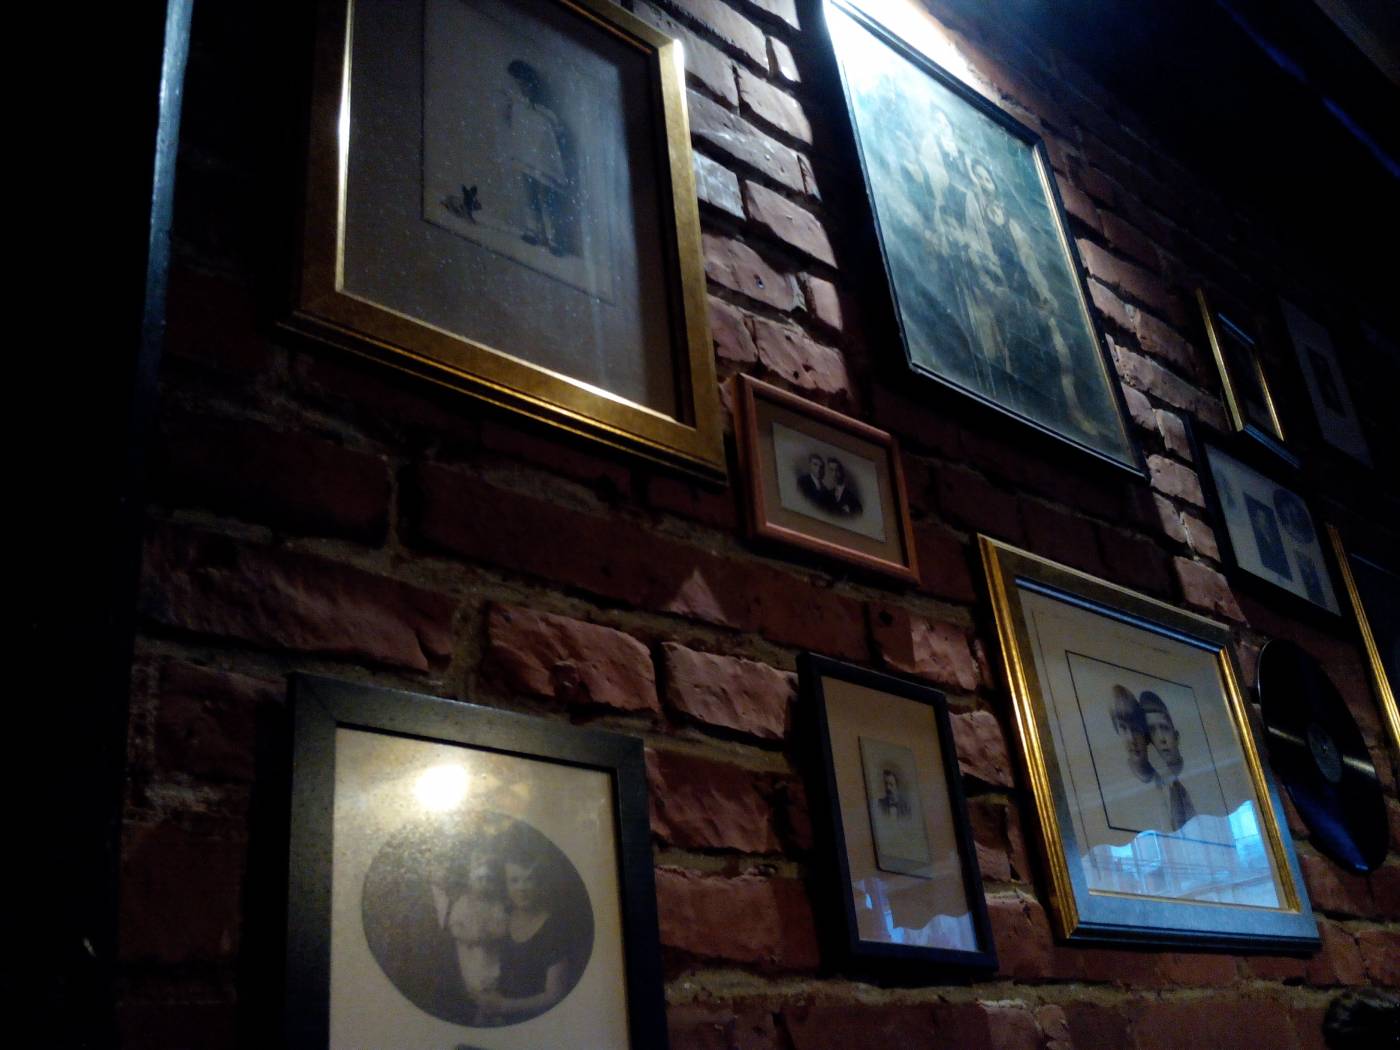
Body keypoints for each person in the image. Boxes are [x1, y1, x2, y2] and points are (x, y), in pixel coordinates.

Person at [475, 841, 575, 1023]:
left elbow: (555, 995)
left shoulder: (555, 928)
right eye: (514, 880)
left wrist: (504, 1006)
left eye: (529, 879)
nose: (521, 888)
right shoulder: (503, 916)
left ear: (540, 882)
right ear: (505, 884)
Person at [503, 59, 569, 256]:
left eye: (526, 85)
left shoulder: (546, 113)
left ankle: (554, 239)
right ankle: (534, 231)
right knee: (529, 194)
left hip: (544, 163)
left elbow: (558, 134)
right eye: (520, 85)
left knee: (547, 198)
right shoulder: (518, 106)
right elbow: (512, 124)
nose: (524, 89)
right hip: (526, 159)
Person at [1138, 691, 1196, 832]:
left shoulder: (1198, 776)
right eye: (1152, 731)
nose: (1161, 738)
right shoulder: (1154, 793)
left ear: (1176, 736)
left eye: (1164, 728)